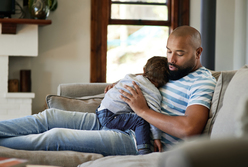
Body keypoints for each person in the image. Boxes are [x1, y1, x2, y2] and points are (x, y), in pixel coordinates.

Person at [0, 26, 216, 156]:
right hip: (117, 117)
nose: (171, 60)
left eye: (179, 53)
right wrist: (122, 84)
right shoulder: (173, 70)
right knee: (50, 116)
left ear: (198, 52)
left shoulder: (202, 82)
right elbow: (150, 78)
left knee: (56, 136)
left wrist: (142, 111)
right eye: (168, 52)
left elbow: (189, 129)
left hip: (137, 139)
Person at [96, 56, 169, 155]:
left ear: (144, 70)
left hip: (101, 109)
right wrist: (156, 137)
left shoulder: (130, 77)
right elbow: (154, 115)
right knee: (141, 120)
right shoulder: (153, 92)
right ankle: (144, 151)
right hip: (111, 116)